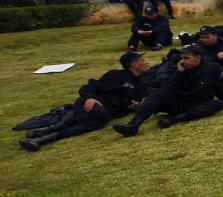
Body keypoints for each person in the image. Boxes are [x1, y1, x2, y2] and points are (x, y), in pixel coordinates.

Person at [20, 52, 150, 151]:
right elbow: (91, 86)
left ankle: (44, 136)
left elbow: (130, 104)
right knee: (94, 116)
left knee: (96, 120)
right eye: (143, 60)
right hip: (92, 104)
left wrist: (134, 107)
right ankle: (45, 134)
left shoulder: (141, 85)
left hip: (106, 114)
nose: (147, 63)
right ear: (134, 65)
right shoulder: (115, 75)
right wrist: (89, 98)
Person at [112, 45, 223, 136]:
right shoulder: (180, 69)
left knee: (218, 104)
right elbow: (167, 88)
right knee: (157, 93)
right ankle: (134, 124)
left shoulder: (213, 69)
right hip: (178, 102)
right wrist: (179, 73)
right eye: (182, 58)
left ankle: (174, 119)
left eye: (186, 58)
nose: (182, 61)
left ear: (198, 58)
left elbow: (220, 88)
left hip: (197, 104)